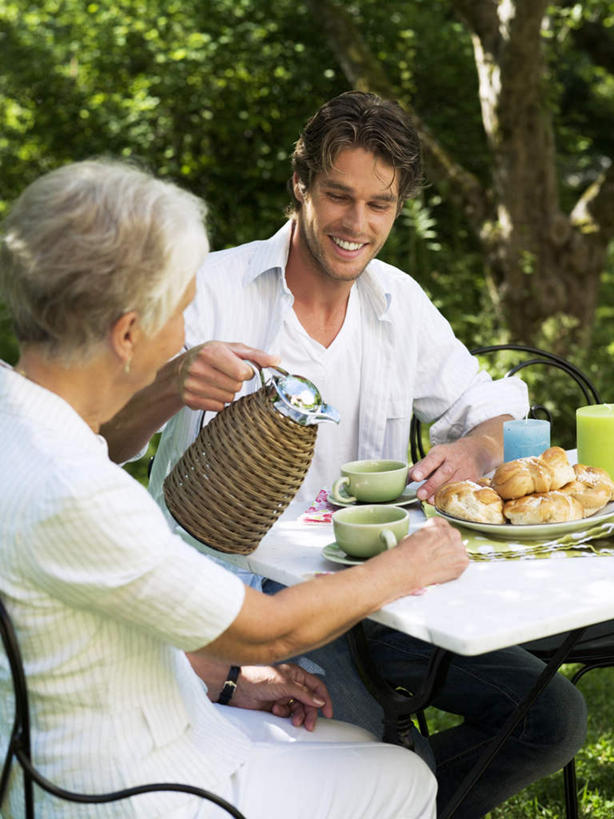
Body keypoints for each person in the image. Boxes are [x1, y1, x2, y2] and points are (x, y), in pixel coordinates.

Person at [102, 92, 587, 817]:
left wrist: (474, 445)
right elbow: (102, 441)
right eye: (338, 195)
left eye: (378, 204)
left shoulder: (398, 303)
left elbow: (489, 407)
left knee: (552, 718)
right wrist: (171, 384)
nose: (356, 223)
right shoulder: (210, 290)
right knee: (392, 764)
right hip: (230, 604)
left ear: (397, 209)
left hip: (372, 597)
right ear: (301, 184)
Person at [0, 159, 472, 818]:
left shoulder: (19, 425)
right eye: (181, 312)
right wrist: (408, 564)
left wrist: (228, 680)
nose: (185, 335)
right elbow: (268, 632)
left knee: (359, 743)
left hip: (79, 747)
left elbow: (96, 621)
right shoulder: (79, 489)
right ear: (129, 334)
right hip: (132, 791)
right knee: (406, 776)